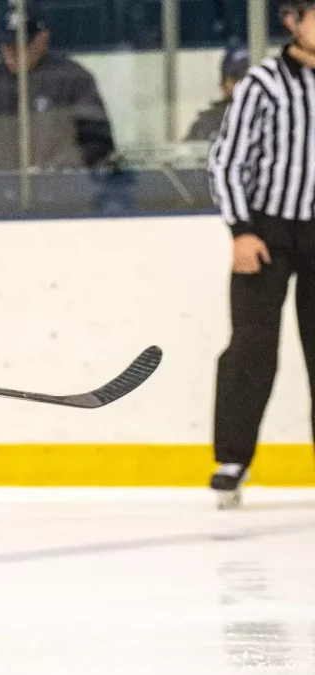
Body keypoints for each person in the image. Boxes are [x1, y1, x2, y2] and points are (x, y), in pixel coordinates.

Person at [207, 0, 315, 509]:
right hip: (267, 231)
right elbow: (227, 161)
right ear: (292, 22)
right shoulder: (264, 82)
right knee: (252, 347)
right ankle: (232, 459)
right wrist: (241, 231)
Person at [0, 13, 114, 172]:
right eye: (6, 44)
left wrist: (54, 169)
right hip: (7, 197)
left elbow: (99, 143)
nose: (10, 53)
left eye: (19, 45)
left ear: (42, 40)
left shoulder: (73, 79)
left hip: (64, 195)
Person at [184, 45, 251, 142]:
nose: (245, 84)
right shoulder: (207, 124)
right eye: (237, 78)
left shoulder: (271, 118)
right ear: (224, 85)